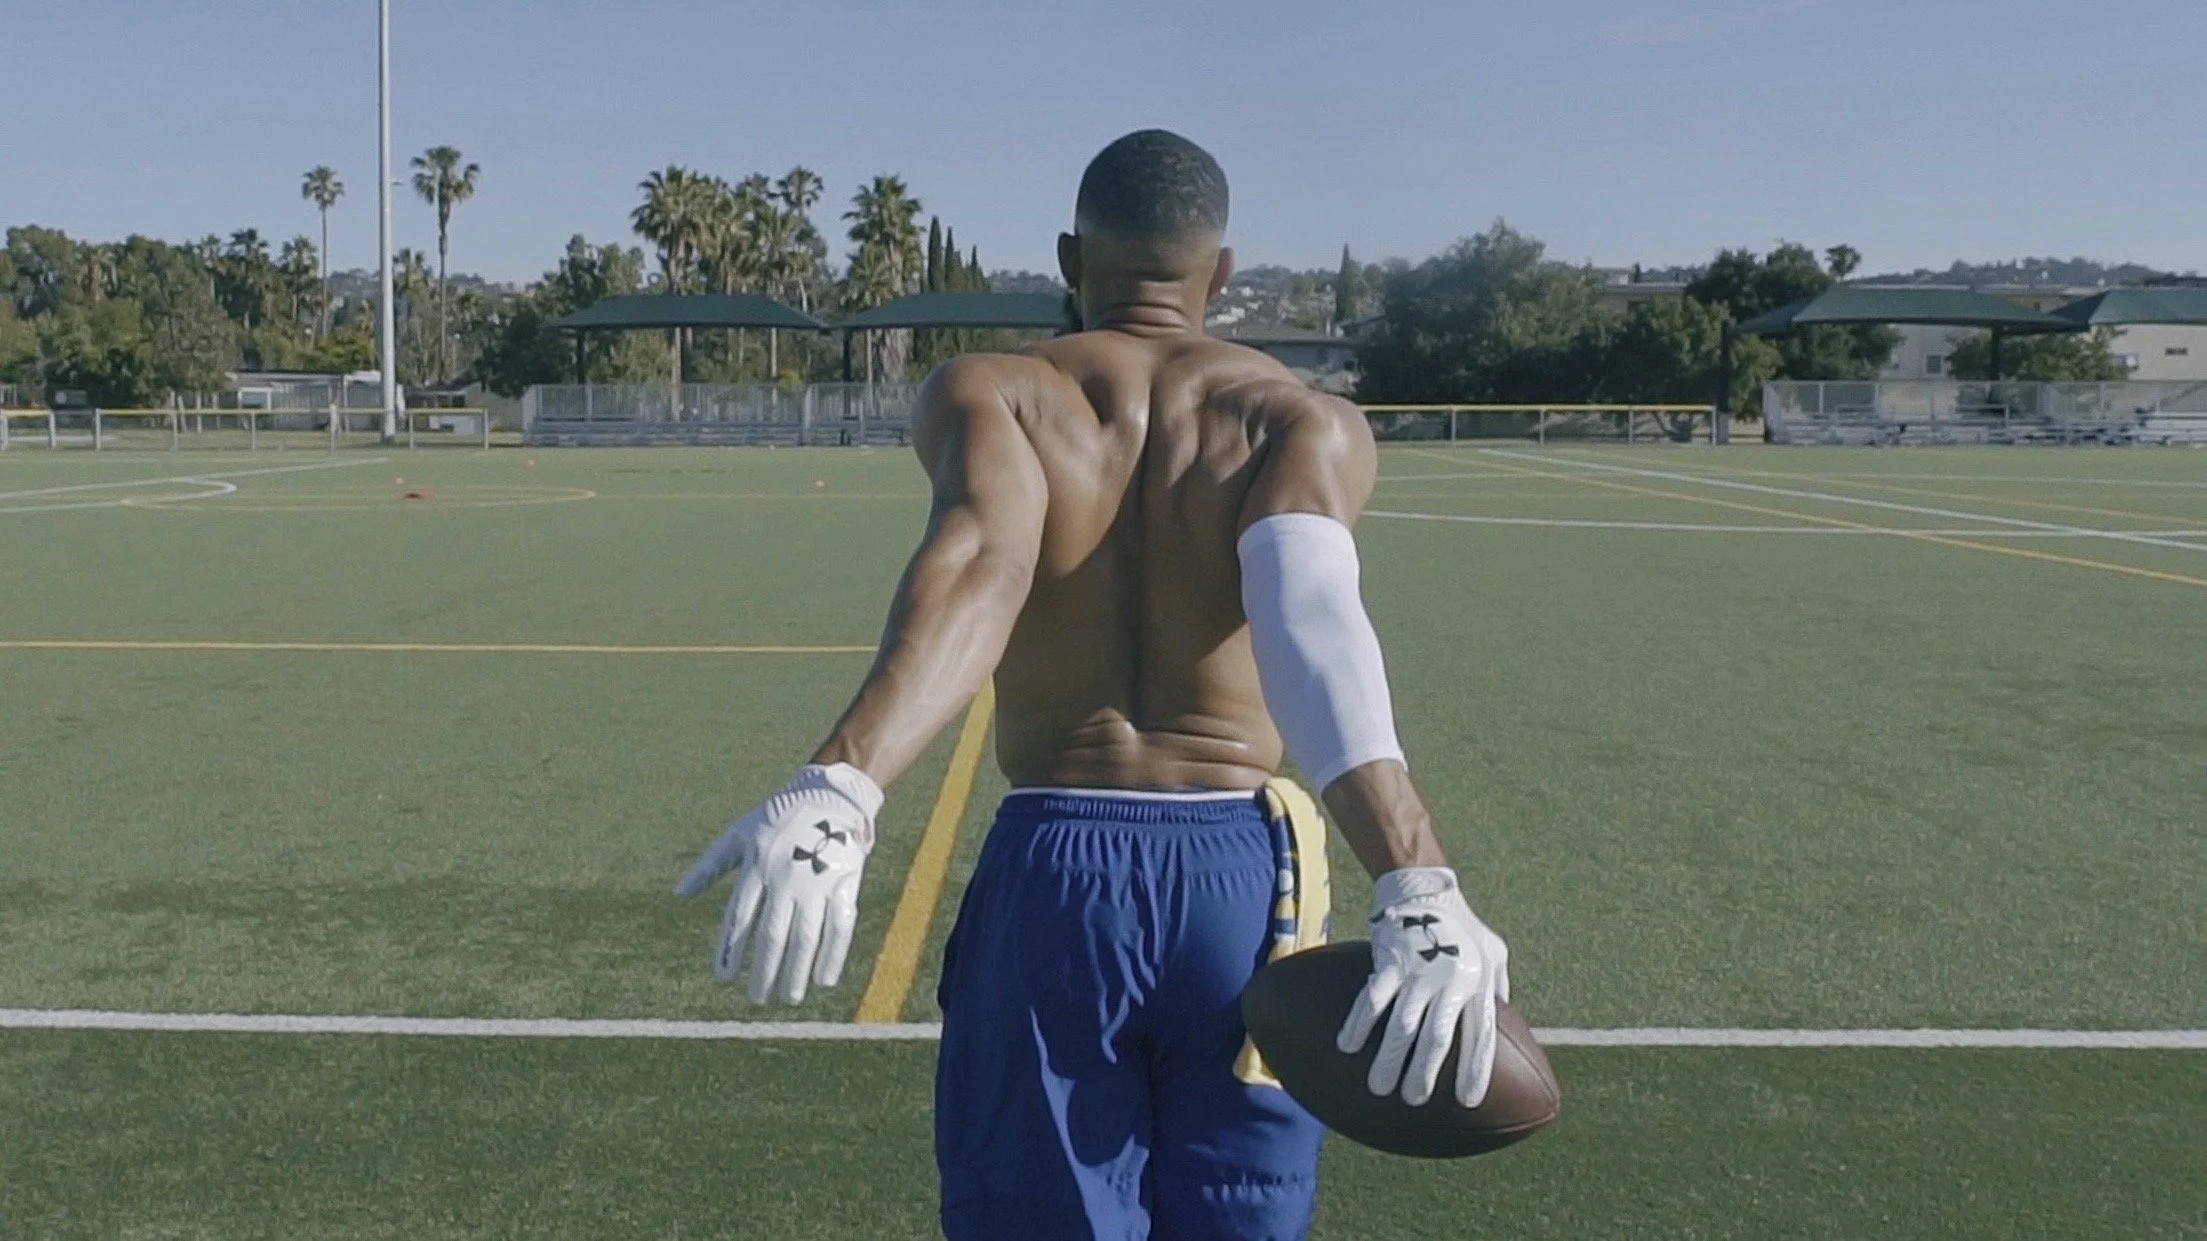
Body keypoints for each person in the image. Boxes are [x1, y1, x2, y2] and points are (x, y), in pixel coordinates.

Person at [678, 129, 1510, 1241]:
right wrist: (1413, 874)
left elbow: (986, 558)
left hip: (1055, 872)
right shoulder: (1298, 418)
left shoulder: (996, 393)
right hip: (1244, 887)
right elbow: (1306, 611)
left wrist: (844, 781)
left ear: (1069, 259)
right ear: (1221, 271)